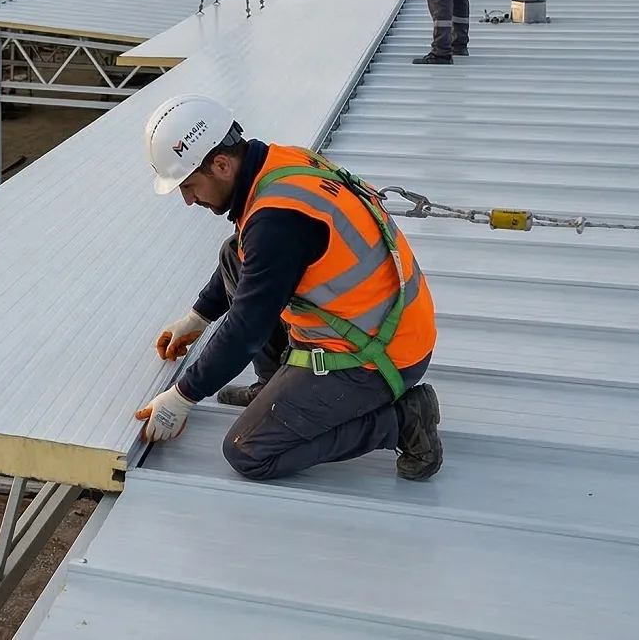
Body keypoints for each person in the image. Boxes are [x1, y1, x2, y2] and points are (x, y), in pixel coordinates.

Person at [133, 95, 443, 482]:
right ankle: (272, 387)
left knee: (248, 452)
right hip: (374, 322)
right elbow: (248, 259)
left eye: (190, 185)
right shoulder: (277, 164)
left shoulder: (277, 221)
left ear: (222, 165)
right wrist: (199, 316)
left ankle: (402, 421)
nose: (188, 199)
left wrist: (182, 396)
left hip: (378, 355)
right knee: (235, 252)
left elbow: (247, 328)